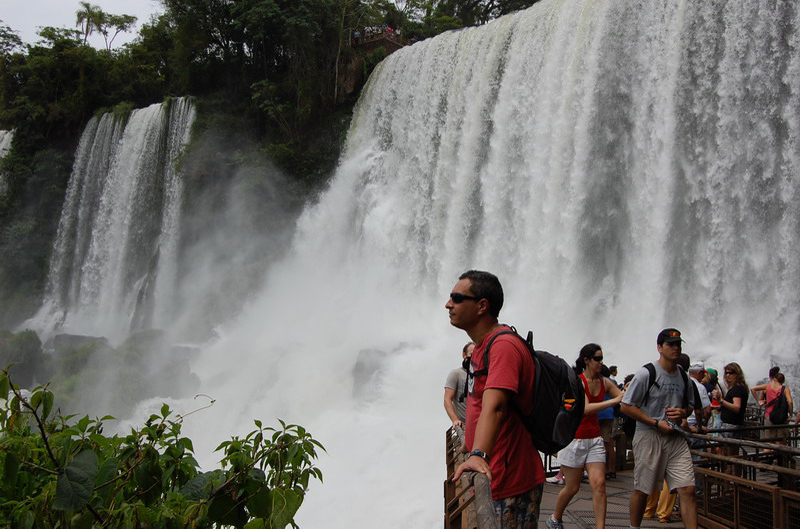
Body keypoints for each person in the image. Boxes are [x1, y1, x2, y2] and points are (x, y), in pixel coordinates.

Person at [448, 270, 544, 527]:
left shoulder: (502, 346)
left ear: (482, 306)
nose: (449, 304)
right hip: (494, 475)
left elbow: (497, 406)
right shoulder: (483, 347)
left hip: (508, 479)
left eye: (457, 298)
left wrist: (478, 454)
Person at [620, 328, 697, 529]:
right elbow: (626, 406)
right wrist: (655, 422)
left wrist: (682, 413)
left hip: (676, 437)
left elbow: (689, 406)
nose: (676, 348)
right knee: (643, 490)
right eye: (671, 345)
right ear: (659, 348)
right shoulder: (647, 373)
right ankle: (634, 527)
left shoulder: (684, 376)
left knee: (688, 489)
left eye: (678, 344)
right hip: (649, 435)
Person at [545, 344, 623, 529]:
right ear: (587, 360)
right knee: (572, 487)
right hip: (575, 439)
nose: (601, 362)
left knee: (600, 484)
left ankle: (600, 527)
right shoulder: (578, 382)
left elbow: (623, 397)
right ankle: (555, 517)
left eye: (602, 358)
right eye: (597, 358)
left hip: (594, 439)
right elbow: (585, 408)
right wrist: (613, 401)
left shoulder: (604, 382)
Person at [711, 362, 748, 474]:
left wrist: (721, 400)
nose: (728, 375)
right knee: (732, 455)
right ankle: (733, 482)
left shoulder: (736, 389)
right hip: (733, 424)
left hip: (731, 426)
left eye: (731, 373)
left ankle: (732, 482)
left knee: (731, 456)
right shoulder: (740, 388)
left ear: (737, 374)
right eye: (726, 373)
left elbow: (737, 407)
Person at [751, 366, 794, 441]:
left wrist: (759, 401)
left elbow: (752, 389)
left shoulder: (767, 387)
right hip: (781, 416)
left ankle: (768, 452)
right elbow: (790, 402)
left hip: (769, 416)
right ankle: (778, 452)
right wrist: (790, 414)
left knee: (769, 441)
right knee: (781, 441)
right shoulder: (785, 389)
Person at [444, 342, 475, 429]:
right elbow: (447, 399)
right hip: (464, 426)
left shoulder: (483, 376)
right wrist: (455, 420)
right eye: (471, 354)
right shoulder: (456, 374)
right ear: (464, 355)